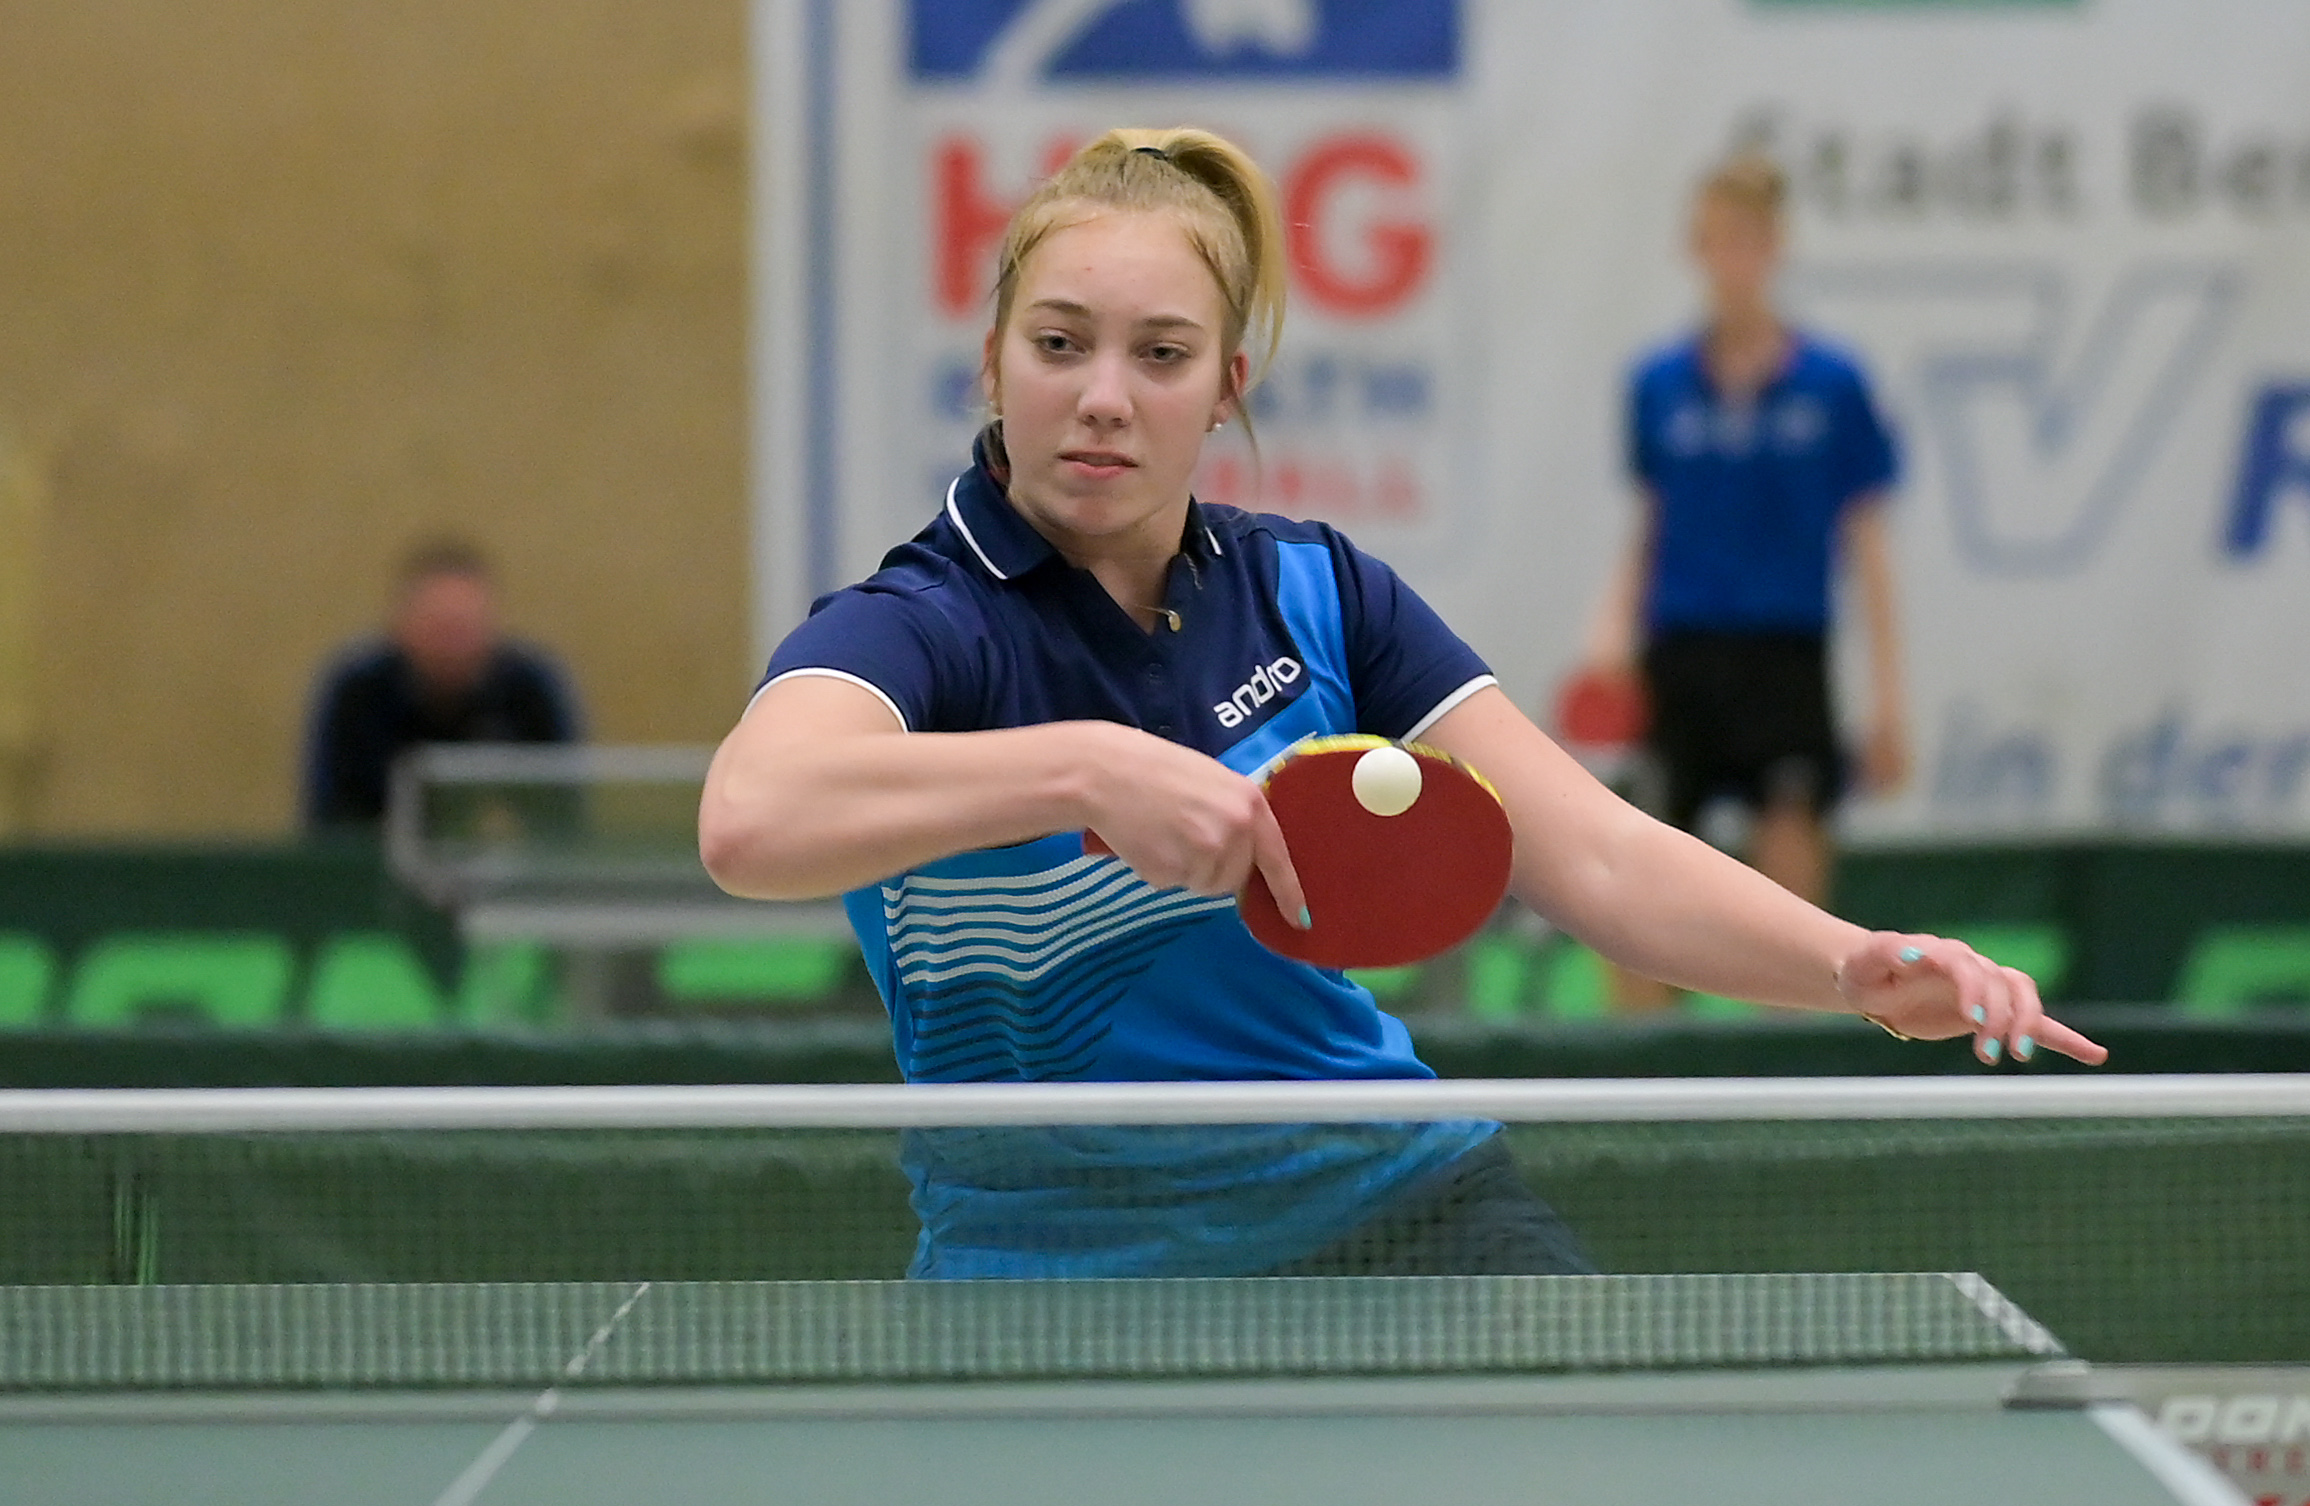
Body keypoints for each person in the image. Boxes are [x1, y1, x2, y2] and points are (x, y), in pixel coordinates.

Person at [699, 128, 2102, 1282]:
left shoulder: (1314, 593)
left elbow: (1600, 856)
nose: (1103, 398)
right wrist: (1081, 769)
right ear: (992, 361)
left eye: (1160, 355)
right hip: (1054, 1272)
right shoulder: (924, 626)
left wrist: (1853, 967)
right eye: (1060, 345)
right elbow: (751, 822)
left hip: (1399, 1215)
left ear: (1227, 387)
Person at [1586, 152, 1907, 910]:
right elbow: (1651, 523)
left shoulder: (1834, 383)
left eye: (1749, 239)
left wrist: (1889, 702)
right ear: (1695, 248)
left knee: (1792, 865)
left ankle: (1786, 995)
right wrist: (1609, 633)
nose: (1733, 259)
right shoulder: (1658, 383)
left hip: (1786, 651)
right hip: (1683, 648)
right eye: (1717, 239)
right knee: (1644, 875)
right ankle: (1648, 1000)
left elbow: (1869, 545)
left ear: (1775, 247)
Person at [303, 539, 581, 828]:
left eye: (464, 627)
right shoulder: (357, 692)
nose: (451, 646)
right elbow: (331, 818)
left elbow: (562, 813)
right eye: (438, 627)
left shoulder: (531, 690)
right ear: (401, 625)